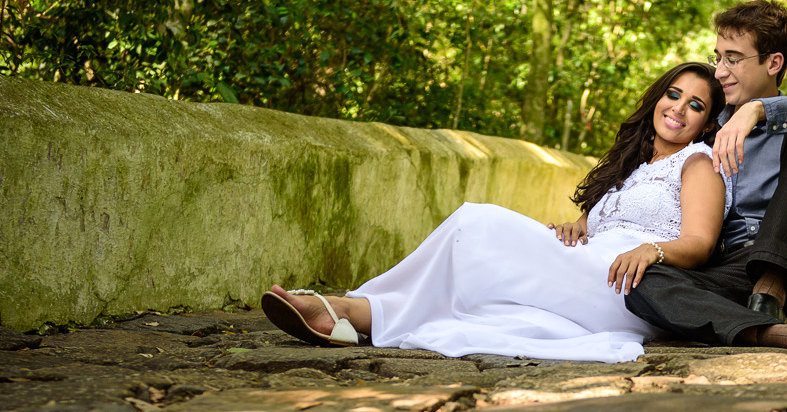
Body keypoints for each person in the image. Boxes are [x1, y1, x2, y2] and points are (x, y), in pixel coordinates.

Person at [260, 63, 730, 364]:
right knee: (480, 281)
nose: (678, 109)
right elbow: (599, 225)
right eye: (672, 94)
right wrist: (577, 226)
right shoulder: (631, 168)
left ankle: (349, 310)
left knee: (476, 223)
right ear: (657, 99)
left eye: (695, 105)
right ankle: (353, 311)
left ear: (707, 123)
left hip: (622, 289)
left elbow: (700, 242)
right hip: (584, 267)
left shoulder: (697, 164)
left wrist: (651, 250)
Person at [624, 0, 787, 358]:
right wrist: (587, 217)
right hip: (733, 271)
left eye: (733, 59)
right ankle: (785, 335)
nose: (719, 71)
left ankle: (771, 288)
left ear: (773, 62)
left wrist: (757, 110)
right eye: (718, 57)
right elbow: (649, 166)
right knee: (643, 283)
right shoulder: (705, 122)